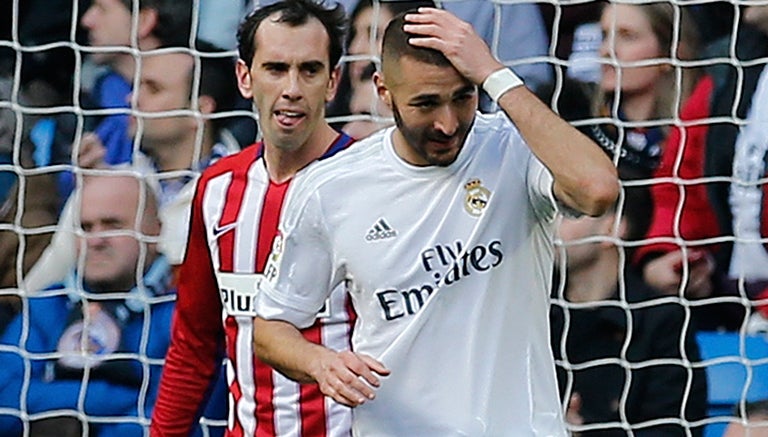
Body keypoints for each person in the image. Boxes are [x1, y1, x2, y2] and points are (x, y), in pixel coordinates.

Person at [252, 6, 618, 435]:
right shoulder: (330, 188)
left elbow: (597, 190)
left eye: (463, 97)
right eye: (426, 103)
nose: (447, 123)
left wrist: (495, 75)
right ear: (383, 91)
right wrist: (320, 362)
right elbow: (270, 328)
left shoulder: (514, 149)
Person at [150, 1, 355, 435]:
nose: (292, 88)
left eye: (310, 70)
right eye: (276, 69)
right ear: (245, 77)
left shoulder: (371, 184)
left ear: (333, 81)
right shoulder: (217, 189)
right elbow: (192, 345)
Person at [25, 42, 242, 296]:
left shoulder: (243, 194)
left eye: (153, 88)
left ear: (200, 110)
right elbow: (38, 287)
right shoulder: (105, 185)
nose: (132, 99)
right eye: (136, 86)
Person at [0, 172, 174, 436]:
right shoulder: (47, 304)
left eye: (112, 225)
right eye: (85, 227)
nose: (95, 241)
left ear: (154, 231)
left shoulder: (182, 311)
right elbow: (5, 400)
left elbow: (175, 418)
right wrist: (126, 397)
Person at [551, 166, 708, 435]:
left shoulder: (662, 319)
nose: (551, 224)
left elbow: (673, 429)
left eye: (568, 213)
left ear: (612, 228)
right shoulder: (533, 310)